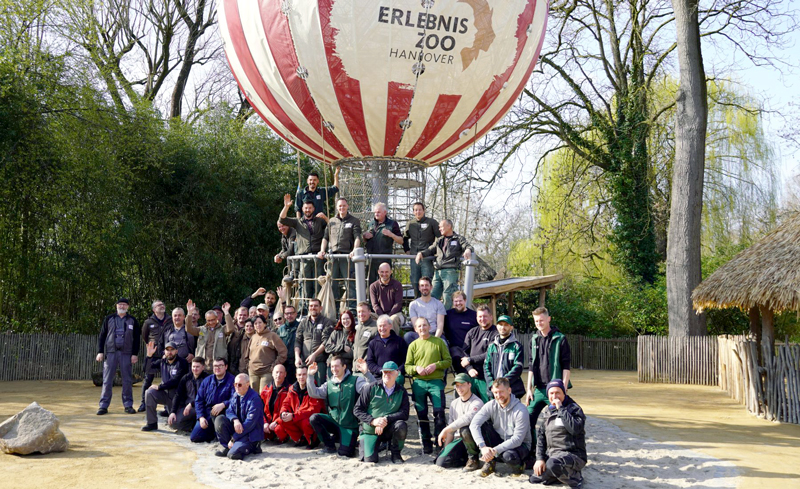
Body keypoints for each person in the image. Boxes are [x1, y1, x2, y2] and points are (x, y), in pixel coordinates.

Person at [307, 355, 376, 457]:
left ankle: (343, 439)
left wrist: (366, 373)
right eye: (332, 367)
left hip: (349, 426)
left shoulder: (355, 381)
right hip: (334, 422)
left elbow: (372, 390)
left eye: (337, 366)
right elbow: (314, 393)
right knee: (314, 418)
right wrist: (310, 376)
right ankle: (329, 445)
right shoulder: (329, 384)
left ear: (344, 367)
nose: (334, 369)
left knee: (345, 453)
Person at [405, 317, 452, 454]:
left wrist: (436, 365)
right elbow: (407, 366)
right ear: (415, 329)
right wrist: (416, 368)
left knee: (439, 412)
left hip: (436, 382)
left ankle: (439, 441)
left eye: (424, 325)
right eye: (419, 326)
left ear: (429, 326)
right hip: (419, 382)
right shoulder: (413, 345)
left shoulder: (439, 342)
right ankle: (426, 443)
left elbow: (448, 361)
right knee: (421, 413)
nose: (422, 328)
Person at [468, 377, 532, 477]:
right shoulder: (491, 405)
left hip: (520, 445)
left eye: (501, 392)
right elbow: (474, 424)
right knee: (482, 426)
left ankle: (519, 467)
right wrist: (483, 447)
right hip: (500, 439)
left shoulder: (521, 410)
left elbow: (518, 439)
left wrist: (495, 450)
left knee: (508, 456)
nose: (498, 396)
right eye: (496, 392)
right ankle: (490, 463)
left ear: (509, 390)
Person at [525, 307, 572, 442]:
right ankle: (533, 449)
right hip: (538, 389)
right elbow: (530, 366)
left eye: (541, 320)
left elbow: (566, 365)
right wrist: (528, 389)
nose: (539, 323)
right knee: (527, 419)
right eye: (536, 321)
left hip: (555, 390)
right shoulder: (533, 340)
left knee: (560, 421)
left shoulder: (560, 339)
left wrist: (563, 387)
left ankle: (559, 449)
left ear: (548, 319)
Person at [530, 379, 587, 488]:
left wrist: (561, 408)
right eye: (551, 393)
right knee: (534, 478)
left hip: (574, 455)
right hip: (554, 455)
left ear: (564, 393)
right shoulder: (547, 411)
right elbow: (541, 437)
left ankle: (575, 478)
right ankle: (557, 475)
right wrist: (540, 459)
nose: (554, 396)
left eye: (558, 393)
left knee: (552, 465)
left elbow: (574, 429)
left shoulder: (575, 409)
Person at [353, 361, 410, 464]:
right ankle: (373, 446)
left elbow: (405, 413)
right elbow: (357, 410)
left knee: (401, 425)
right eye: (385, 372)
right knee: (370, 460)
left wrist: (386, 419)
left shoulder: (402, 391)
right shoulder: (370, 388)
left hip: (389, 428)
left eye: (390, 372)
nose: (387, 375)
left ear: (397, 373)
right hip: (371, 429)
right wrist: (373, 421)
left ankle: (396, 453)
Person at [415, 219, 473, 309]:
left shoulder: (458, 239)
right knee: (433, 295)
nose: (439, 229)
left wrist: (468, 250)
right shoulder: (439, 240)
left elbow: (468, 246)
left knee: (448, 296)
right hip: (438, 271)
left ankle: (446, 318)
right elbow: (431, 249)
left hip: (450, 271)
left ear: (449, 226)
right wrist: (421, 253)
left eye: (441, 226)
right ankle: (431, 317)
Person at [96, 298, 140, 415]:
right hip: (111, 353)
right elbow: (102, 335)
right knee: (107, 380)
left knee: (127, 380)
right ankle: (103, 406)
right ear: (116, 306)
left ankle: (128, 405)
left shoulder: (132, 320)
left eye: (124, 305)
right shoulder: (109, 318)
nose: (122, 306)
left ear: (128, 307)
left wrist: (134, 354)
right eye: (120, 304)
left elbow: (137, 339)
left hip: (126, 353)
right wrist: (100, 351)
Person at [280, 193, 327, 301]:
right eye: (306, 208)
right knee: (305, 284)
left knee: (319, 283)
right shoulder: (297, 222)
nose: (307, 210)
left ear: (313, 209)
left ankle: (320, 306)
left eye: (310, 208)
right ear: (302, 209)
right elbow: (282, 219)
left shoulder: (320, 221)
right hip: (304, 258)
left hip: (318, 257)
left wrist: (326, 218)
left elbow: (330, 230)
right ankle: (305, 309)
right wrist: (286, 206)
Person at [318, 197, 361, 310]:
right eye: (340, 206)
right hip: (332, 257)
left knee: (350, 283)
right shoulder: (331, 221)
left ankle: (352, 309)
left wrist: (354, 250)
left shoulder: (354, 221)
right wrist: (322, 250)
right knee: (332, 283)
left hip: (346, 257)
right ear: (337, 207)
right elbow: (325, 238)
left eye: (344, 206)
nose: (342, 208)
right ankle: (333, 309)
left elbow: (357, 237)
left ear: (347, 207)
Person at [434, 373, 484, 470]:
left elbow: (466, 419)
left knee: (464, 429)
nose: (459, 388)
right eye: (457, 386)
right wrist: (446, 448)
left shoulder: (477, 402)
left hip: (471, 438)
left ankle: (473, 458)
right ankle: (463, 458)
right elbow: (451, 430)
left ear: (469, 385)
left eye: (462, 385)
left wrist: (445, 429)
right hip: (457, 439)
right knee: (440, 461)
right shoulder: (454, 403)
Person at [214, 373, 265, 460]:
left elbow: (249, 424)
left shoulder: (254, 399)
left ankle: (252, 447)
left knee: (233, 455)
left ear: (247, 384)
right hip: (239, 429)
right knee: (220, 420)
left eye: (240, 384)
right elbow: (229, 410)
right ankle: (228, 447)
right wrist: (235, 420)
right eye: (235, 384)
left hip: (250, 434)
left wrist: (234, 438)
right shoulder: (236, 394)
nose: (237, 386)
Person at [141, 341, 189, 431]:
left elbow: (176, 381)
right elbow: (147, 369)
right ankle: (151, 423)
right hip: (165, 395)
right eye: (167, 350)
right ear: (164, 351)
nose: (169, 352)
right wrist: (149, 356)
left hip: (178, 398)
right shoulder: (162, 362)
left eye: (172, 350)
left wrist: (160, 387)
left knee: (175, 424)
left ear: (176, 351)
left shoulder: (183, 362)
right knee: (149, 392)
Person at [274, 365, 326, 448]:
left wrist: (294, 416)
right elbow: (285, 404)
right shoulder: (292, 389)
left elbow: (313, 410)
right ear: (296, 376)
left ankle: (313, 441)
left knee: (306, 422)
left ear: (308, 375)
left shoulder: (314, 389)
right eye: (299, 375)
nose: (301, 377)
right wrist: (283, 412)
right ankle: (300, 439)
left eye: (304, 374)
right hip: (297, 418)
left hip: (309, 421)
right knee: (282, 419)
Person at [191, 357, 235, 443]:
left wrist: (223, 404)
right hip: (208, 412)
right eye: (215, 366)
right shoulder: (207, 381)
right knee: (194, 437)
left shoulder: (232, 380)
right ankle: (213, 433)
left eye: (220, 366)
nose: (217, 368)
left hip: (225, 412)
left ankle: (221, 434)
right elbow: (199, 400)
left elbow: (236, 398)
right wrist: (201, 417)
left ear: (226, 367)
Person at [139, 299, 173, 412]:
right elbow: (145, 336)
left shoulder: (170, 320)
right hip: (153, 355)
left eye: (163, 304)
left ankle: (167, 406)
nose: (162, 306)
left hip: (167, 354)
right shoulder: (148, 322)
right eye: (159, 305)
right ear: (154, 309)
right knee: (148, 379)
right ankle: (143, 403)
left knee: (167, 380)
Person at [461, 305, 498, 403]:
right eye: (480, 317)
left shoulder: (496, 333)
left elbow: (490, 354)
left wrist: (470, 360)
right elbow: (464, 353)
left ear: (491, 317)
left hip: (487, 378)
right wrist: (469, 368)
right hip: (471, 376)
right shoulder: (472, 332)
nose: (482, 319)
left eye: (485, 316)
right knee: (471, 406)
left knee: (488, 406)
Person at [403, 202, 440, 298]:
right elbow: (405, 238)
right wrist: (406, 250)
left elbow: (440, 238)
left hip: (427, 257)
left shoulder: (432, 222)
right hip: (414, 257)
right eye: (416, 210)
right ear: (413, 212)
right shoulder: (410, 224)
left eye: (420, 209)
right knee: (415, 281)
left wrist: (435, 251)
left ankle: (428, 302)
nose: (418, 212)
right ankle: (417, 301)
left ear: (424, 211)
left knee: (427, 281)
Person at [483, 315, 525, 400]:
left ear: (511, 327)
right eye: (500, 324)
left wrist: (504, 383)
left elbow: (518, 367)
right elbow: (486, 366)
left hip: (512, 390)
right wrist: (491, 384)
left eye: (506, 325)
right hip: (494, 390)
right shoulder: (491, 346)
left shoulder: (517, 346)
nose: (503, 327)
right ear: (497, 326)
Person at [294, 299, 334, 385]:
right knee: (305, 389)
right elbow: (297, 341)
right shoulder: (303, 323)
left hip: (319, 363)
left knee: (318, 388)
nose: (313, 308)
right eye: (311, 306)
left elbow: (326, 342)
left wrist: (314, 355)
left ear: (321, 308)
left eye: (316, 306)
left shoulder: (327, 322)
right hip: (304, 364)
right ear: (308, 308)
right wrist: (297, 357)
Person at [186, 300, 232, 373]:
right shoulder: (201, 330)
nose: (211, 322)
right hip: (203, 365)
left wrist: (226, 313)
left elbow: (231, 329)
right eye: (208, 320)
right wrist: (189, 313)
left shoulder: (222, 329)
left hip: (218, 365)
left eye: (213, 320)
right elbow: (189, 329)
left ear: (217, 318)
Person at [363, 202, 402, 284]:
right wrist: (364, 236)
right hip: (371, 260)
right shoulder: (370, 224)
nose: (376, 214)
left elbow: (401, 240)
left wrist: (391, 235)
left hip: (384, 259)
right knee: (371, 284)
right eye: (375, 212)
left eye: (378, 212)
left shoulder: (392, 224)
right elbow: (364, 241)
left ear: (385, 212)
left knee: (385, 283)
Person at [248, 314, 288, 394]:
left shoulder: (272, 336)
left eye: (260, 323)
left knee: (264, 395)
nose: (258, 325)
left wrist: (274, 366)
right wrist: (248, 366)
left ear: (265, 324)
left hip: (266, 372)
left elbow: (283, 352)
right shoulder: (253, 337)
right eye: (255, 324)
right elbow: (247, 354)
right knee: (254, 396)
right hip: (253, 372)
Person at [169, 356, 209, 432]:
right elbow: (178, 395)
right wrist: (173, 412)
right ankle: (191, 425)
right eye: (193, 366)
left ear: (203, 367)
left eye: (198, 367)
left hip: (202, 407)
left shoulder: (207, 379)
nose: (195, 369)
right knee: (173, 423)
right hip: (188, 408)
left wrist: (191, 404)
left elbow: (206, 397)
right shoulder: (186, 378)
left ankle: (196, 425)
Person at [404, 276, 446, 345]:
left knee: (444, 343)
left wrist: (434, 340)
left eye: (426, 285)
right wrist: (423, 340)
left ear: (431, 287)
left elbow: (440, 326)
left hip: (435, 334)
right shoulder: (413, 304)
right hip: (420, 334)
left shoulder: (438, 304)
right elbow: (416, 326)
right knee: (408, 336)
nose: (424, 288)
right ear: (419, 288)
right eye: (422, 286)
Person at [444, 291, 478, 373]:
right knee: (455, 353)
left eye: (460, 301)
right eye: (456, 301)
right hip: (455, 349)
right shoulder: (448, 315)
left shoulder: (474, 315)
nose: (458, 303)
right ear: (453, 302)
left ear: (465, 300)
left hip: (471, 349)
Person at [369, 262, 405, 335]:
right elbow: (375, 305)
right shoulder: (373, 286)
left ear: (391, 272)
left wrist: (387, 317)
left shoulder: (397, 285)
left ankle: (392, 342)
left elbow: (398, 303)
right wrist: (382, 316)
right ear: (378, 272)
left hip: (395, 314)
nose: (384, 274)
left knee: (392, 319)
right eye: (382, 272)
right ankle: (373, 341)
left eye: (386, 272)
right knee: (367, 315)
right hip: (379, 314)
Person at [261, 363, 292, 443]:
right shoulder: (266, 389)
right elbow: (260, 408)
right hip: (268, 422)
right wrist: (264, 423)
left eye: (281, 372)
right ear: (272, 374)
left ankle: (284, 437)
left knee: (279, 430)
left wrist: (277, 422)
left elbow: (290, 410)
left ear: (285, 374)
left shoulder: (290, 390)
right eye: (276, 372)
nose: (278, 375)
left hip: (281, 421)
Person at [276, 303, 299, 384]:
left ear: (296, 314)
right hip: (284, 363)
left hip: (296, 362)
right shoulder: (280, 329)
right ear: (284, 316)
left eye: (291, 313)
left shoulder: (301, 327)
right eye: (287, 314)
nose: (289, 315)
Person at [227, 309, 254, 377]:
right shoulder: (229, 326)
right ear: (236, 315)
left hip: (241, 363)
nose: (242, 317)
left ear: (248, 316)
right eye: (240, 315)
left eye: (244, 315)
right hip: (228, 359)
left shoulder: (250, 330)